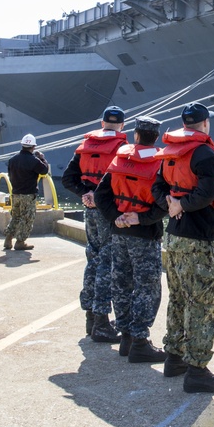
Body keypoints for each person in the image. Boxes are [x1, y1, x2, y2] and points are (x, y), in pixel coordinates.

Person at [152, 103, 214, 393]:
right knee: (202, 303)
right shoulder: (205, 153)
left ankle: (174, 358)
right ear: (205, 124)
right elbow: (208, 192)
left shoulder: (170, 152)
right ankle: (197, 370)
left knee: (178, 297)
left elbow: (156, 187)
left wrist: (172, 206)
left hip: (173, 235)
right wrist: (183, 205)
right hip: (197, 239)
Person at [92, 116, 167, 363]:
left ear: (135, 135)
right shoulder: (160, 162)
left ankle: (126, 337)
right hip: (144, 235)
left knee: (121, 283)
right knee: (147, 287)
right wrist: (141, 219)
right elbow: (163, 203)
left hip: (119, 235)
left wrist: (116, 218)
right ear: (155, 137)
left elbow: (101, 196)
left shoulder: (119, 159)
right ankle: (140, 341)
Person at [62, 105, 127, 344]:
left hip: (89, 211)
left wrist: (86, 192)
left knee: (93, 258)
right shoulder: (122, 147)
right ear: (122, 125)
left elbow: (68, 178)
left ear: (102, 123)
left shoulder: (85, 147)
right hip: (110, 211)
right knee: (107, 264)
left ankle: (90, 316)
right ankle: (101, 321)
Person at [4, 134, 50, 251]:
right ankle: (20, 242)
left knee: (15, 216)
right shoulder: (34, 161)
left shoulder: (12, 160)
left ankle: (8, 239)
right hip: (28, 195)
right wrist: (42, 158)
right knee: (27, 218)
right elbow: (44, 170)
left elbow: (9, 175)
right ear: (33, 147)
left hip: (15, 194)